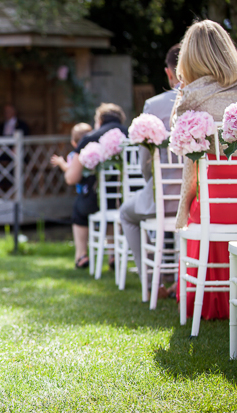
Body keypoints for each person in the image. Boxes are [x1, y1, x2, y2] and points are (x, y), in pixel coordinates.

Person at [173, 20, 237, 320]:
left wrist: (181, 94)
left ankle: (208, 299)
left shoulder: (191, 97)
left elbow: (179, 147)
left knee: (199, 204)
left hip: (213, 207)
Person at [119, 44, 181, 294]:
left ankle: (152, 283)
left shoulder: (155, 105)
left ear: (169, 72)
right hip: (200, 198)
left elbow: (145, 161)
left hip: (165, 196)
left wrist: (152, 182)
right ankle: (178, 277)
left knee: (126, 213)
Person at [65, 103, 128, 268]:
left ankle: (81, 255)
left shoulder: (90, 138)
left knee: (79, 209)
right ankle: (113, 255)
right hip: (128, 198)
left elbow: (72, 178)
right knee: (113, 208)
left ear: (99, 120)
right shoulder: (132, 136)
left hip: (95, 200)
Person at [51, 122, 93, 199]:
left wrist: (61, 162)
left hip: (83, 189)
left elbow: (70, 169)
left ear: (73, 142)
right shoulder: (94, 153)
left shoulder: (73, 156)